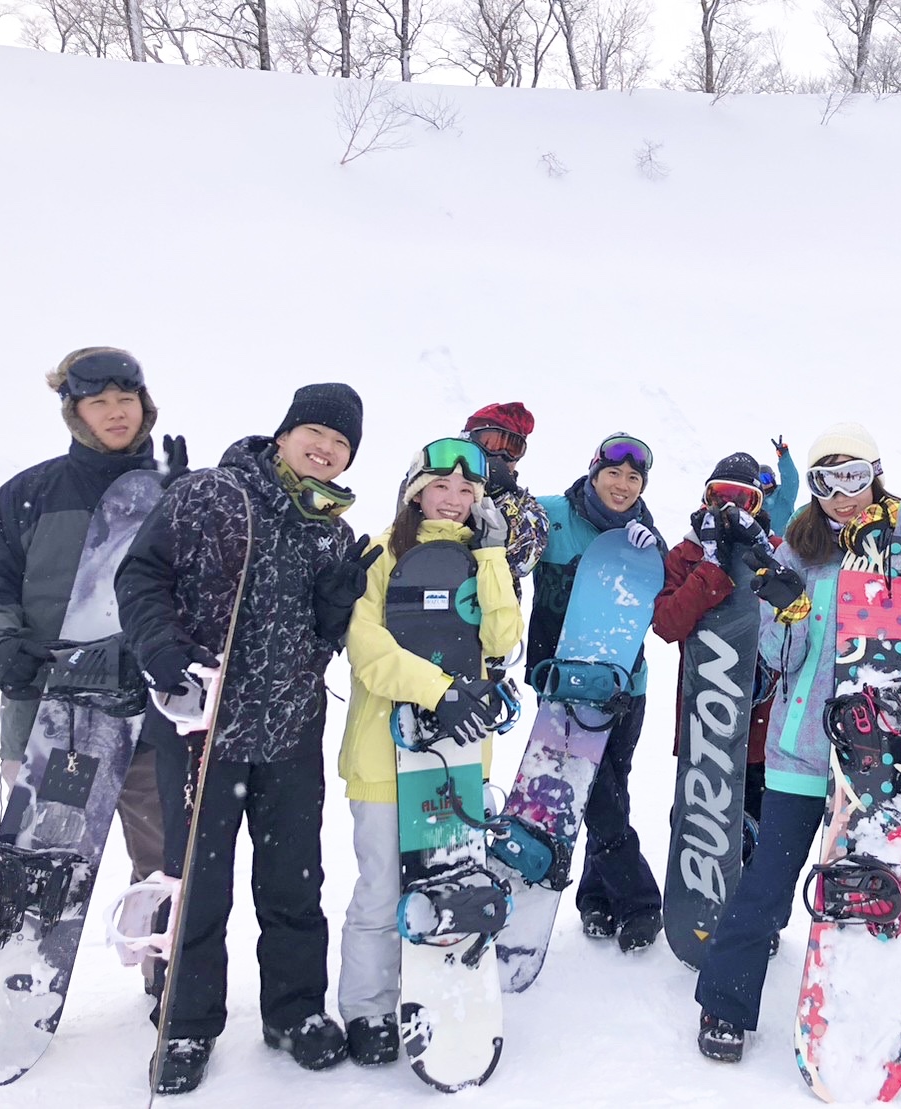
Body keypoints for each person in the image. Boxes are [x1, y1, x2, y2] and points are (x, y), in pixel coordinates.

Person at [694, 422, 901, 1063]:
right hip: (803, 747)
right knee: (768, 882)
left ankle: (861, 1012)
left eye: (855, 477)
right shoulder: (800, 550)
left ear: (874, 474)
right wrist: (788, 614)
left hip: (883, 753)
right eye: (827, 481)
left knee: (870, 884)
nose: (842, 495)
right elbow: (776, 656)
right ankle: (725, 1003)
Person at [116, 383, 377, 1094]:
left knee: (293, 880)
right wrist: (161, 649)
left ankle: (293, 1011)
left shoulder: (332, 528)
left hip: (290, 727)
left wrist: (334, 609)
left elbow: (324, 638)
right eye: (316, 432)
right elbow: (140, 575)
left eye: (342, 443)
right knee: (197, 880)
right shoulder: (212, 492)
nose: (326, 449)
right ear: (287, 431)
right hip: (201, 724)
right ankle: (185, 1023)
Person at [0, 346, 180, 997]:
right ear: (74, 410)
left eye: (126, 398)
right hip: (50, 713)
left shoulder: (175, 493)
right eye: (99, 400)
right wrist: (0, 647)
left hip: (151, 712)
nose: (116, 412)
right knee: (40, 861)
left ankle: (165, 973)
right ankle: (14, 979)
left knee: (166, 858)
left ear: (145, 406)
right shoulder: (31, 494)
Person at [336, 437, 522, 1066]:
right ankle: (367, 1008)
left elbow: (502, 638)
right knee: (381, 886)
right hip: (386, 754)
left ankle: (444, 994)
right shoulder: (379, 554)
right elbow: (368, 651)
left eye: (468, 491)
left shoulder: (481, 559)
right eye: (443, 487)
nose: (455, 499)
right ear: (417, 491)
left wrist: (493, 556)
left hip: (459, 757)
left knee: (449, 880)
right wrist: (438, 691)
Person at [527, 432, 668, 952]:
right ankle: (638, 902)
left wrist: (657, 550)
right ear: (594, 471)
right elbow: (506, 544)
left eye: (634, 478)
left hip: (625, 686)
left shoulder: (644, 535)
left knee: (610, 791)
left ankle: (597, 898)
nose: (623, 484)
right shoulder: (553, 517)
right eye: (615, 473)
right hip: (563, 686)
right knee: (600, 799)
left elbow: (661, 597)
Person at [653, 453, 777, 826]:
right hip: (704, 717)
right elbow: (667, 625)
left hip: (761, 724)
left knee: (754, 823)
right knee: (699, 821)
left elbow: (797, 625)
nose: (731, 510)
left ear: (759, 504)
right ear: (705, 499)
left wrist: (766, 565)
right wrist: (711, 569)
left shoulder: (777, 551)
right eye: (720, 496)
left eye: (744, 500)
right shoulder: (686, 555)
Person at [461, 402, 549, 603]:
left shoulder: (528, 508)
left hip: (496, 618)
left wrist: (499, 496)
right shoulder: (434, 485)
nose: (501, 455)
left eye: (513, 448)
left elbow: (522, 562)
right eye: (491, 442)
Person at [759, 434, 799, 533]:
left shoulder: (784, 496)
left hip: (784, 544)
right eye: (759, 479)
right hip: (760, 545)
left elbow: (791, 478)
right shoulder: (754, 501)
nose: (763, 483)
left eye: (766, 478)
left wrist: (784, 456)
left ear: (773, 478)